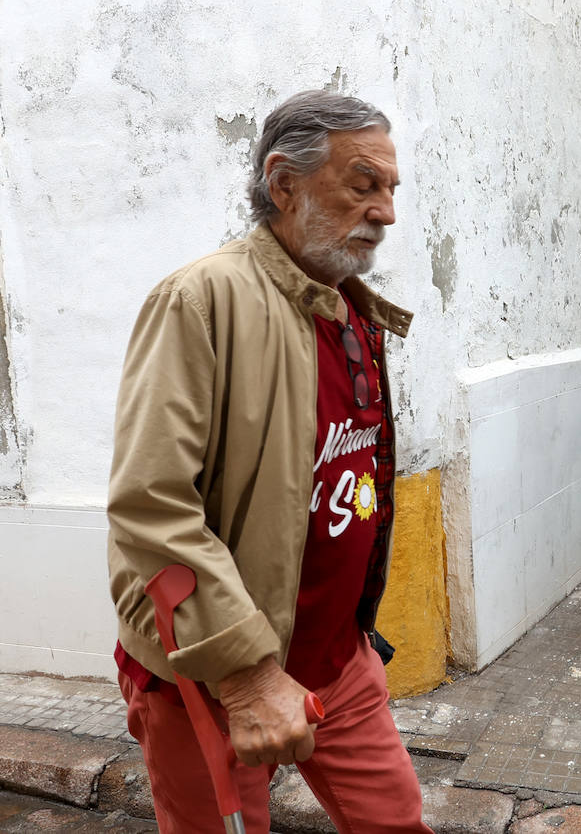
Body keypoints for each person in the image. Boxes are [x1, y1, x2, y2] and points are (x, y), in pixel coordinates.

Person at [107, 90, 431, 833]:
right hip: (213, 678)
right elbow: (150, 505)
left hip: (338, 663)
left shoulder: (350, 308)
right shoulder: (199, 300)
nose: (384, 211)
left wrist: (354, 638)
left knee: (396, 823)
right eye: (362, 184)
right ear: (283, 183)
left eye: (389, 189)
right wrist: (248, 675)